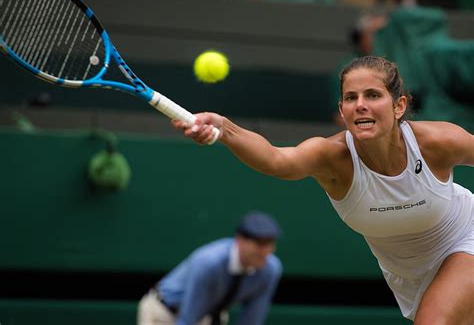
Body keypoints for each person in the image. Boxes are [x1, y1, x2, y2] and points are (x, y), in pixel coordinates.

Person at [172, 56, 474, 324]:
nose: (361, 105)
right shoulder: (332, 158)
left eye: (373, 95)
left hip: (465, 237)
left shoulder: (438, 142)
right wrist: (225, 129)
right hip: (407, 274)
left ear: (399, 106)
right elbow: (277, 160)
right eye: (350, 98)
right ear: (342, 111)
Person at [137, 211, 283, 325]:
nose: (265, 251)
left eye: (270, 244)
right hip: (163, 312)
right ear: (240, 240)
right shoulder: (209, 263)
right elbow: (188, 319)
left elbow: (252, 320)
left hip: (206, 315)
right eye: (259, 244)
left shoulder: (271, 269)